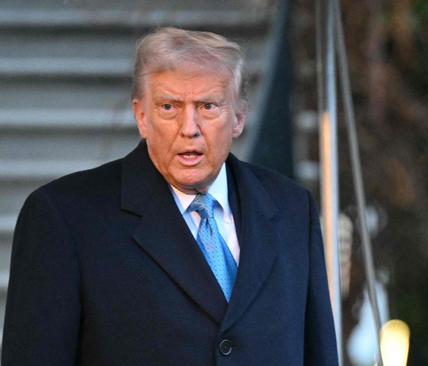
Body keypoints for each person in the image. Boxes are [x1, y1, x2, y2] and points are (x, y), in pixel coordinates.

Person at [2, 27, 338, 366]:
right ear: (142, 116)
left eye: (208, 106)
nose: (188, 127)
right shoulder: (64, 216)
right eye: (168, 107)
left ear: (238, 118)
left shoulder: (292, 208)